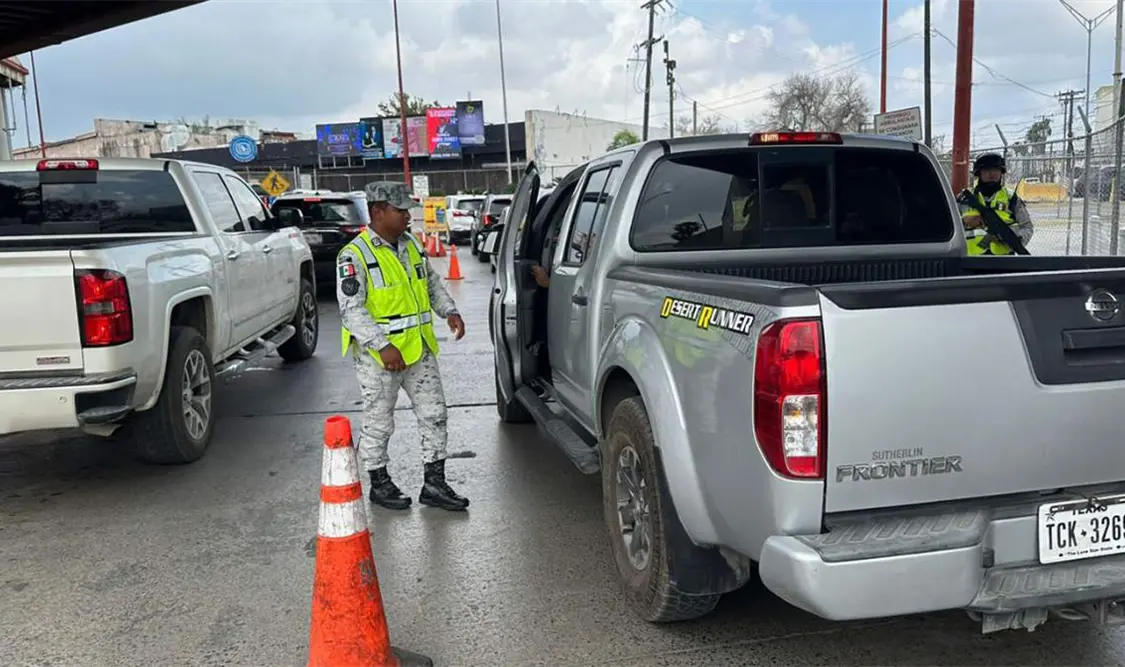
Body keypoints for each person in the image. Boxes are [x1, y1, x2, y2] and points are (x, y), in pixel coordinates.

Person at [336, 181, 469, 512]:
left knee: (435, 414)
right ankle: (379, 483)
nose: (409, 217)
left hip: (418, 349)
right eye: (401, 210)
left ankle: (434, 484)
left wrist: (449, 311)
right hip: (379, 357)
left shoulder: (411, 246)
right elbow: (351, 309)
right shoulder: (354, 255)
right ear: (378, 211)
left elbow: (431, 283)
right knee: (379, 420)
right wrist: (382, 347)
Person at [958, 153, 1034, 255]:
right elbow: (946, 226)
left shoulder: (1011, 198)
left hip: (1004, 260)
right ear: (978, 173)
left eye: (996, 170)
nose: (992, 174)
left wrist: (1016, 239)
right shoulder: (964, 198)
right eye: (987, 170)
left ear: (1001, 172)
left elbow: (1027, 226)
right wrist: (963, 221)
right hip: (971, 260)